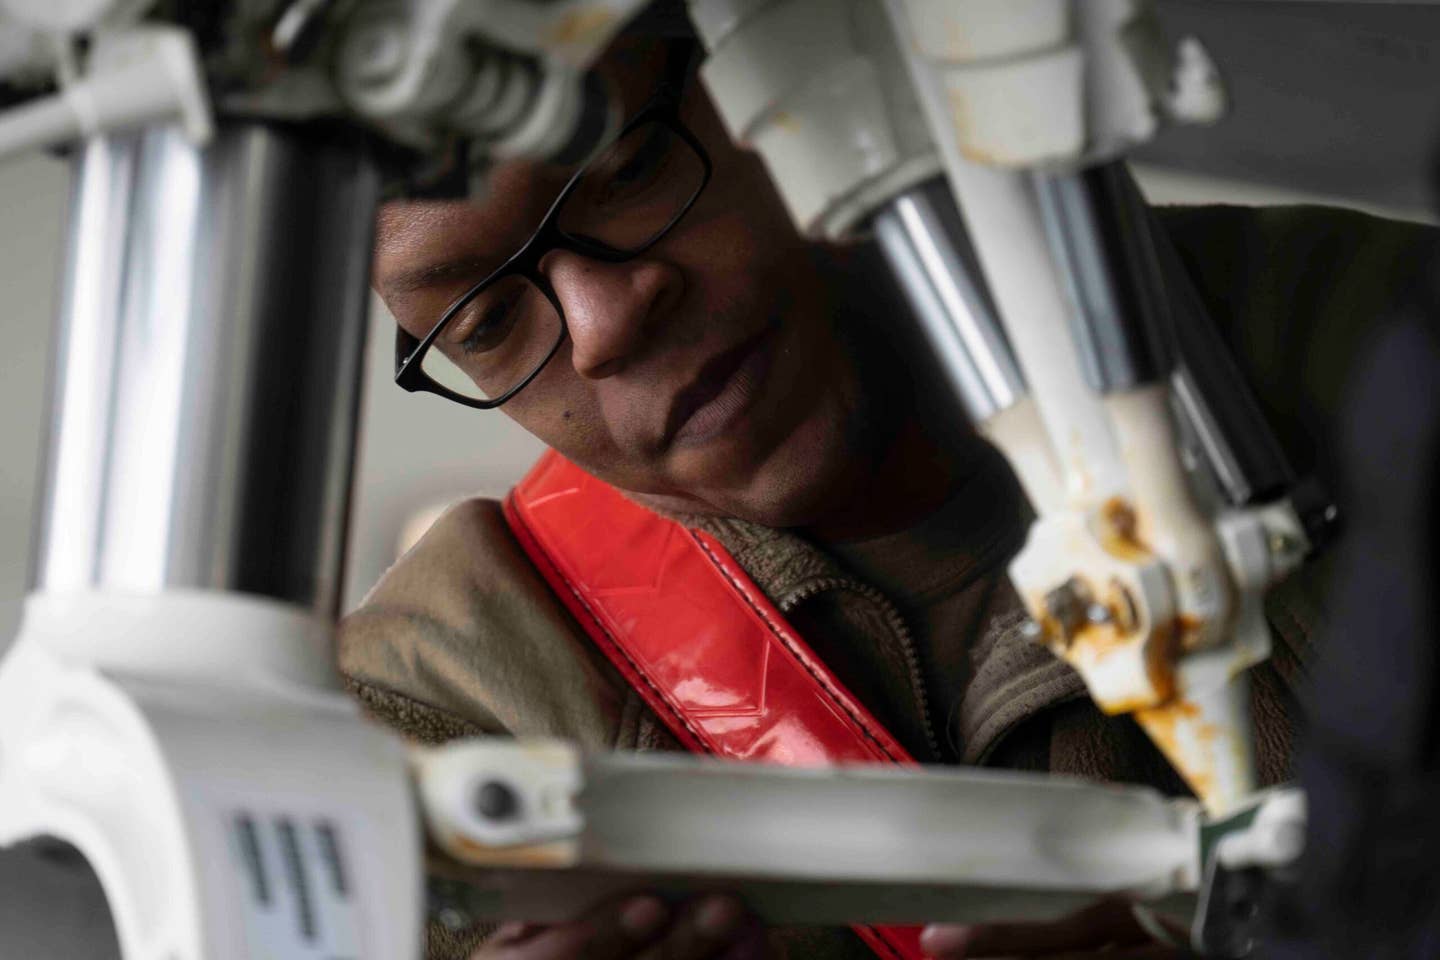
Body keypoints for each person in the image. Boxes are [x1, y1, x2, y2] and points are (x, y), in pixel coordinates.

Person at [339, 6, 1436, 959]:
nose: (607, 320)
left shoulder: (1379, 346)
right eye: (483, 321)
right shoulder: (413, 728)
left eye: (630, 169)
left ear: (786, 76)